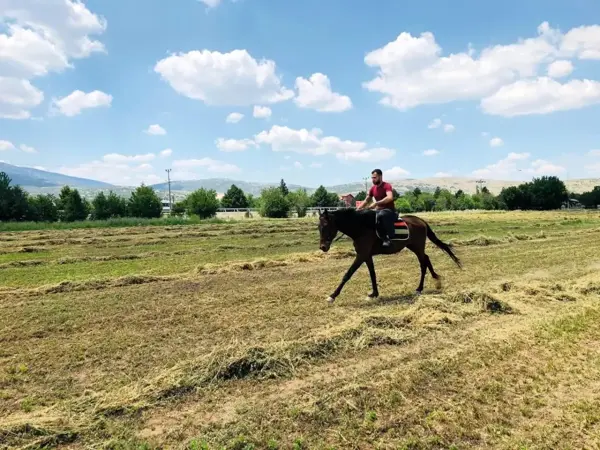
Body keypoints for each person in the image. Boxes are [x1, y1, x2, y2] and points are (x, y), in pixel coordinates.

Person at [358, 169, 395, 247]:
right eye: (372, 178)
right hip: (378, 211)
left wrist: (376, 203)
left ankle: (387, 239)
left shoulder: (387, 186)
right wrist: (358, 209)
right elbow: (366, 200)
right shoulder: (373, 188)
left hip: (389, 211)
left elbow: (390, 198)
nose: (373, 179)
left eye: (375, 177)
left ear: (380, 176)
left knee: (381, 215)